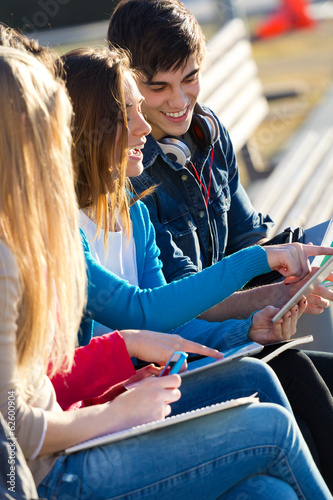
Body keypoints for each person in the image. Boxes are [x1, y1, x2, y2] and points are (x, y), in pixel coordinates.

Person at [1, 46, 331, 500]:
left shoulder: (125, 217)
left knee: (265, 484)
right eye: (130, 112)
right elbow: (142, 312)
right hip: (66, 458)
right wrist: (120, 401)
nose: (144, 128)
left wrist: (248, 330)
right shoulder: (39, 242)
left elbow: (155, 323)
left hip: (96, 414)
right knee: (273, 420)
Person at [107, 0, 333, 487]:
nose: (177, 100)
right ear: (123, 86)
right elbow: (181, 298)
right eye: (157, 86)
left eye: (189, 77)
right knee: (293, 374)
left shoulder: (207, 131)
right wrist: (266, 296)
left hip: (229, 332)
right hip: (185, 351)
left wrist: (293, 271)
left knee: (317, 372)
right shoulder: (132, 174)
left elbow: (249, 233)